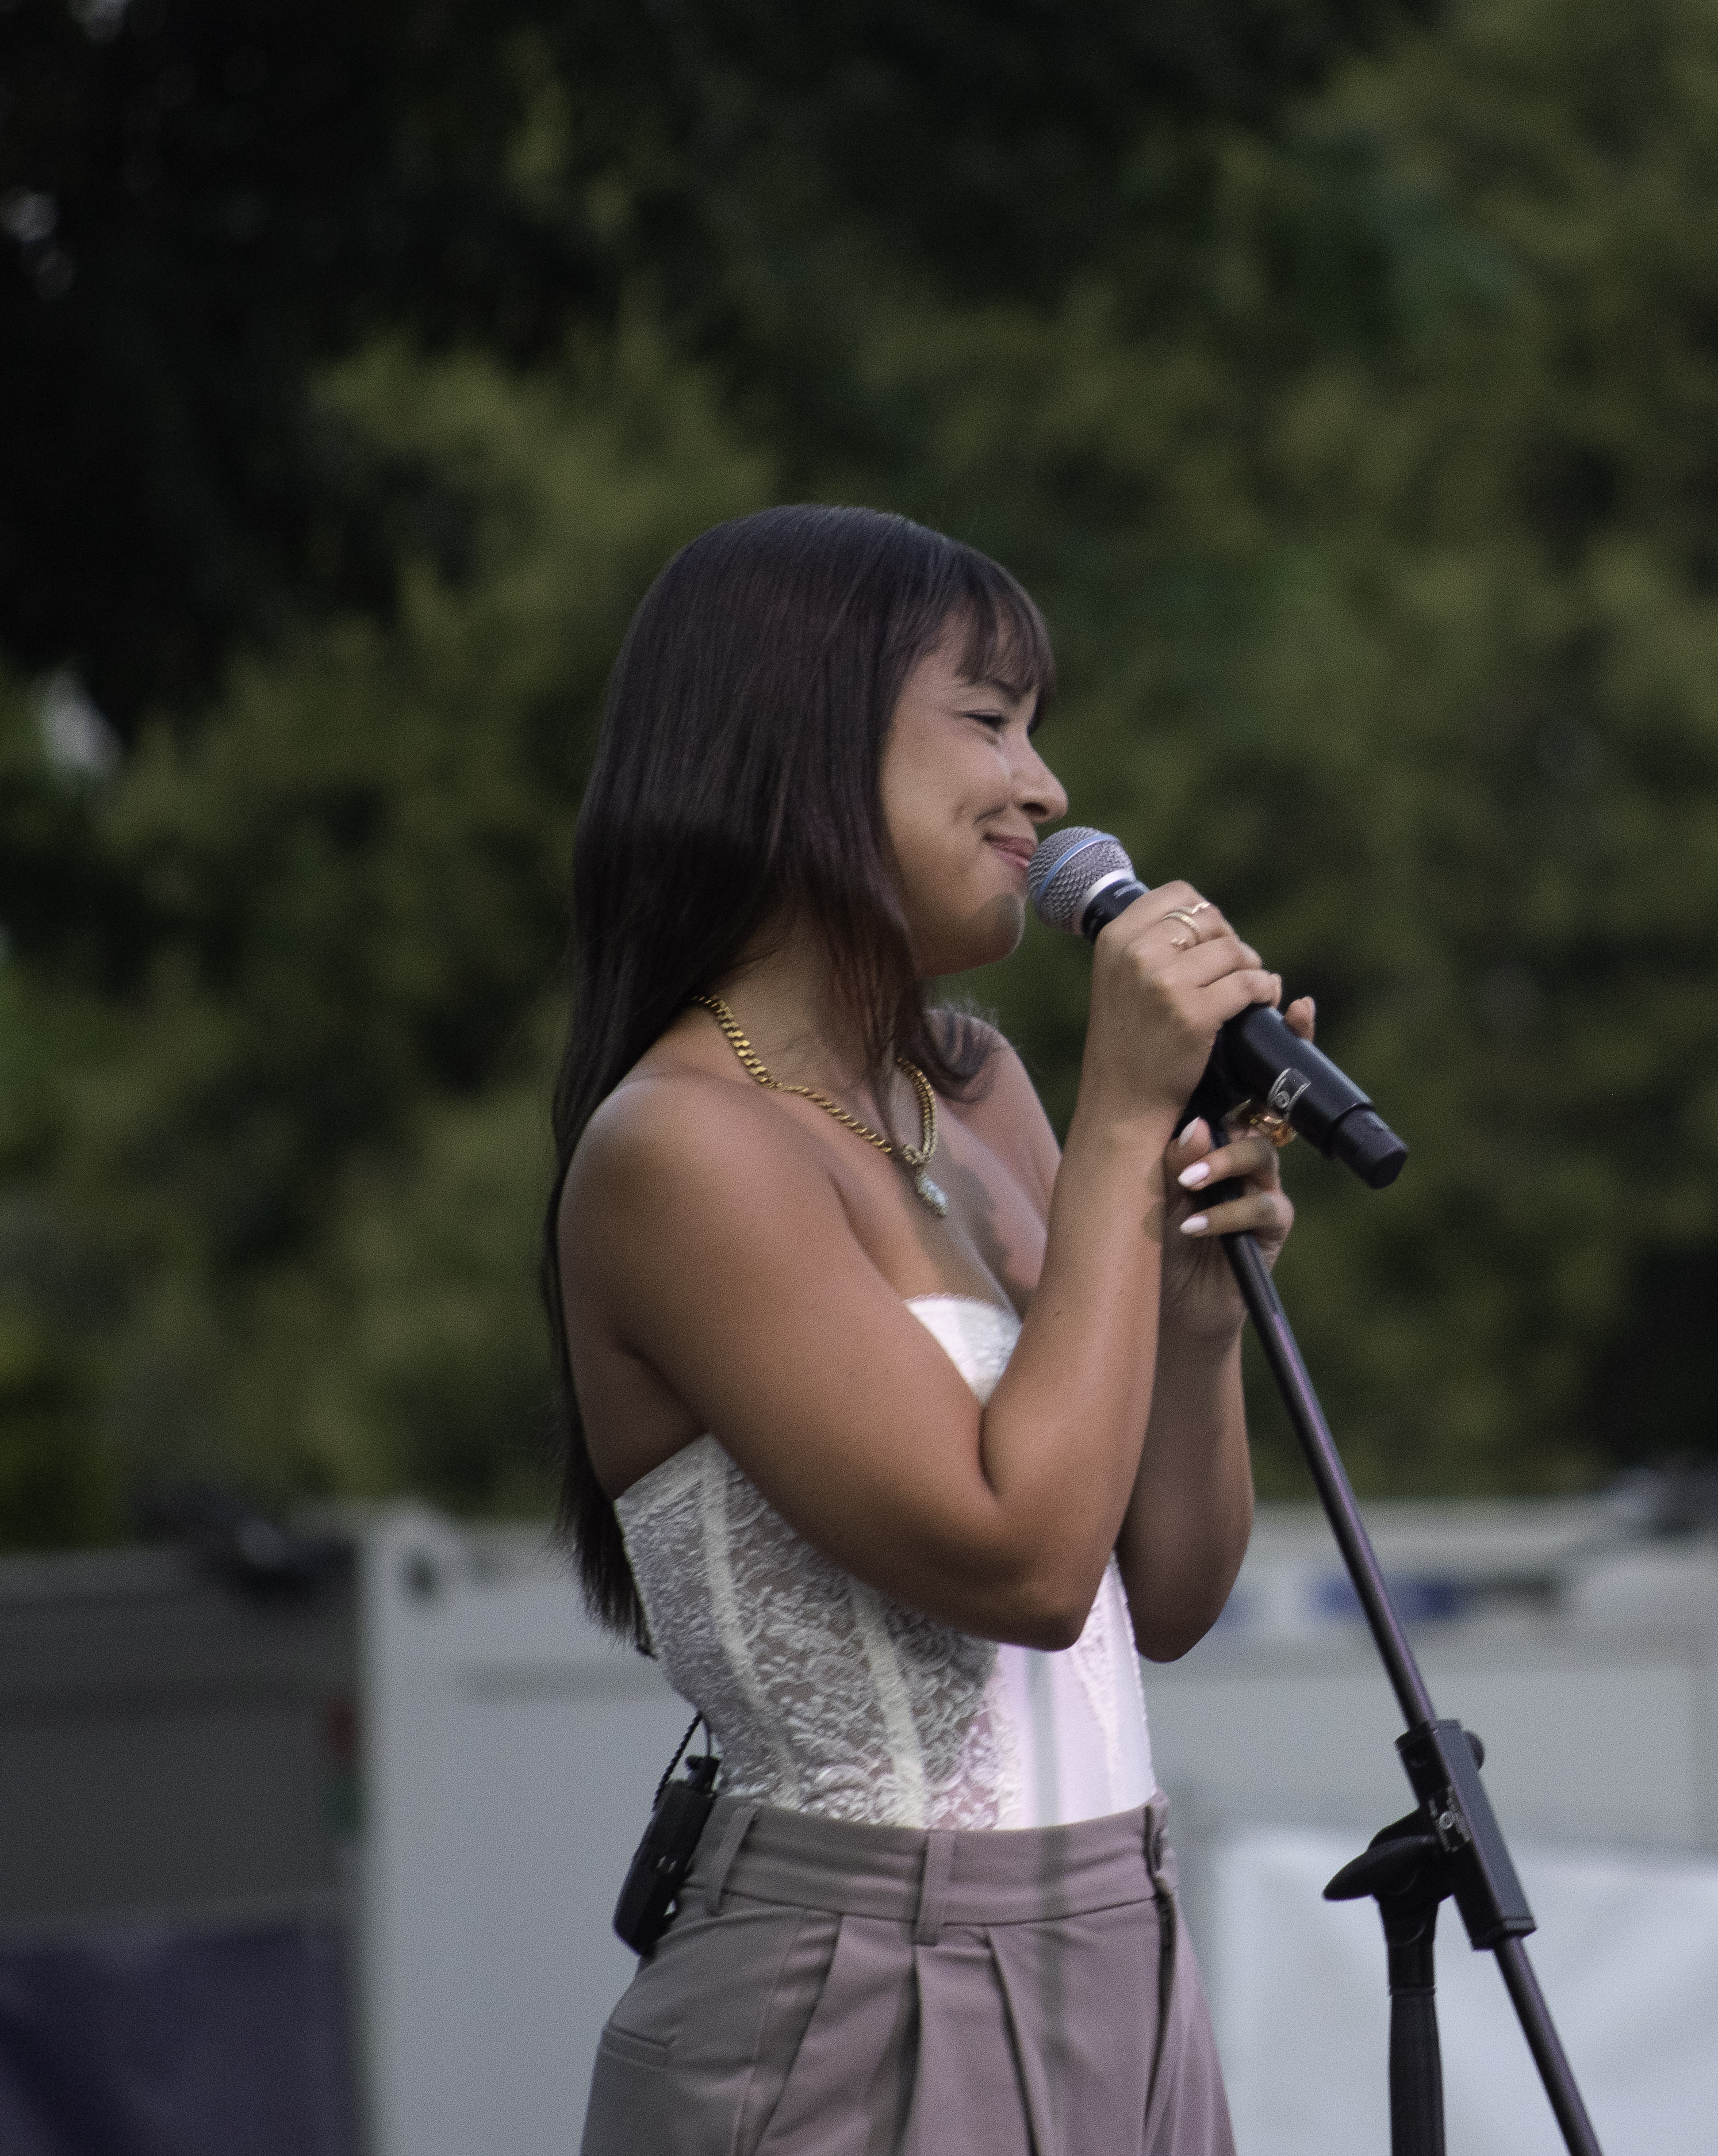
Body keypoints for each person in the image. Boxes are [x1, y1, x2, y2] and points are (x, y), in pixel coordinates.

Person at [547, 505, 1297, 2155]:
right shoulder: (681, 1145)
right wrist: (1120, 1128)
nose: (1045, 786)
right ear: (797, 744)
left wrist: (1190, 1305)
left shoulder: (976, 1089)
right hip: (856, 1982)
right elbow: (1022, 1563)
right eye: (988, 721)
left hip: (1127, 1939)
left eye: (1037, 729)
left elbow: (1162, 1591)